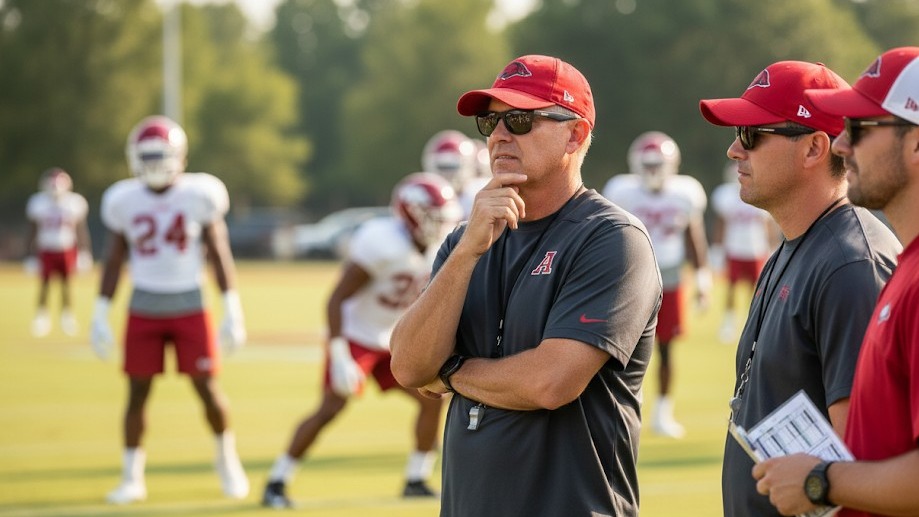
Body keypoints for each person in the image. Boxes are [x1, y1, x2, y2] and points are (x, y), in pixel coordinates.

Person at [390, 54, 662, 516]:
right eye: (490, 121)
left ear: (574, 134)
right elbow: (409, 366)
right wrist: (466, 254)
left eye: (518, 120)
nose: (498, 135)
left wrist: (452, 372)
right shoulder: (465, 239)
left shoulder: (612, 240)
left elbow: (550, 382)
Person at [699, 60, 902, 517]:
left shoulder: (851, 265)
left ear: (813, 148)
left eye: (751, 134)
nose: (734, 150)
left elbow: (867, 458)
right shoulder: (797, 245)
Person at [751, 46, 919, 517]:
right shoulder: (906, 265)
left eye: (861, 129)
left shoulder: (867, 264)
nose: (843, 144)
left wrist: (821, 480)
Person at [261, 172, 463, 509]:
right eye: (432, 217)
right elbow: (336, 298)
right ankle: (277, 481)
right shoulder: (382, 241)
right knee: (331, 407)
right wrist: (340, 355)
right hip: (356, 336)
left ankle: (416, 478)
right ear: (410, 213)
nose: (439, 225)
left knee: (432, 399)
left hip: (394, 339)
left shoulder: (439, 247)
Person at [90, 115, 249, 505]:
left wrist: (232, 307)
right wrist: (99, 312)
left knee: (207, 388)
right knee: (137, 392)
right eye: (147, 156)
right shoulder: (123, 198)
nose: (155, 163)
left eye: (161, 154)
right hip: (144, 302)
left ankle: (227, 462)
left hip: (189, 302)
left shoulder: (200, 193)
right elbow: (114, 259)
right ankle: (132, 477)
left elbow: (217, 251)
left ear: (179, 156)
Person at [602, 131, 711, 439]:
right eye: (646, 164)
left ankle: (663, 412)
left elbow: (694, 237)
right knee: (617, 348)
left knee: (665, 349)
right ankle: (619, 406)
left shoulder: (685, 193)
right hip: (629, 276)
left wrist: (703, 279)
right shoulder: (621, 191)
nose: (651, 170)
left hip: (671, 277)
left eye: (656, 164)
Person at [710, 160, 778, 343]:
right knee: (731, 288)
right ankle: (729, 323)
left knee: (755, 290)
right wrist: (717, 250)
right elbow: (721, 224)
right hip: (735, 249)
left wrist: (772, 248)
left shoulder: (759, 195)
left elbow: (767, 224)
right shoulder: (727, 196)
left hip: (756, 249)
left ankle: (751, 322)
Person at [24, 167, 92, 337]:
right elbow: (32, 230)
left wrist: (84, 252)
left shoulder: (74, 202)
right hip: (46, 248)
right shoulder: (38, 202)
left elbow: (80, 230)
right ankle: (42, 317)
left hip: (67, 248)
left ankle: (67, 316)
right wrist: (29, 255)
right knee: (44, 284)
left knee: (67, 284)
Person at [421, 129, 481, 217]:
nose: (447, 174)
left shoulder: (479, 195)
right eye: (442, 167)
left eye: (453, 167)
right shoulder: (425, 197)